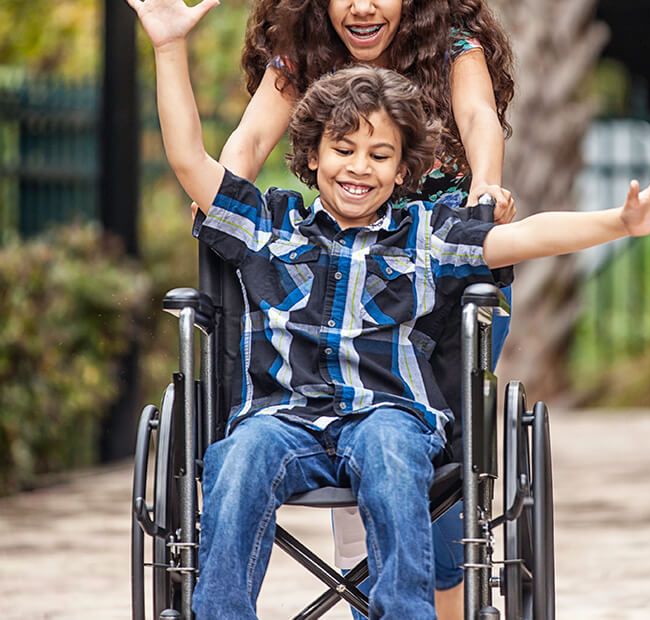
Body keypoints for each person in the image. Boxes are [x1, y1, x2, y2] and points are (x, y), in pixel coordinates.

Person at [127, 1, 650, 617]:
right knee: (238, 456)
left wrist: (621, 221)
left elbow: (526, 232)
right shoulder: (271, 227)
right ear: (311, 157)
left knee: (392, 452)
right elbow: (193, 158)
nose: (358, 168)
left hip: (387, 413)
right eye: (342, 150)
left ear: (404, 171)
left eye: (379, 156)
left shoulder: (426, 236)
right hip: (283, 417)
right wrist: (168, 49)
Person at [210, 2, 517, 614]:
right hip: (348, 263)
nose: (362, 5)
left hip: (443, 256)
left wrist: (485, 184)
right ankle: (368, 602)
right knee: (349, 417)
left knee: (426, 452)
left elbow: (479, 113)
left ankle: (435, 594)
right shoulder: (301, 44)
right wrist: (219, 194)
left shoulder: (451, 42)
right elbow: (249, 139)